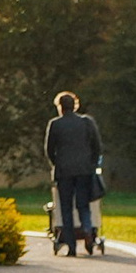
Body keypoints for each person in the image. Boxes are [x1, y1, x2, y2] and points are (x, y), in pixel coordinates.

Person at [44, 92, 105, 256]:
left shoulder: (55, 124)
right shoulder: (87, 122)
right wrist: (92, 164)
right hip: (84, 170)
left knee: (66, 208)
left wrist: (56, 163)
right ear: (75, 106)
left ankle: (71, 246)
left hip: (64, 171)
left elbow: (49, 149)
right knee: (83, 204)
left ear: (60, 107)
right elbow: (97, 146)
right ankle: (87, 229)